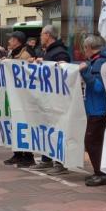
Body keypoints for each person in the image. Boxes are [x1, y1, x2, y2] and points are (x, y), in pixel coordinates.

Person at [28, 25, 72, 176]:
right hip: (46, 99)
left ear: (48, 35)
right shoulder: (47, 52)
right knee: (46, 128)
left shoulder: (60, 53)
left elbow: (62, 73)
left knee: (56, 129)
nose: (40, 37)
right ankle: (46, 159)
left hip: (56, 100)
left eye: (42, 34)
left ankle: (59, 163)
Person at [80, 35, 106, 187]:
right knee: (96, 142)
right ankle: (100, 172)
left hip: (98, 109)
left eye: (84, 48)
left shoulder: (99, 63)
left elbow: (99, 88)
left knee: (92, 142)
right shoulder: (98, 61)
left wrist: (85, 73)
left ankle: (101, 174)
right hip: (96, 109)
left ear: (88, 48)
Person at [3, 31, 36, 168]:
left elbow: (20, 70)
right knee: (14, 124)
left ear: (17, 41)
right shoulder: (14, 52)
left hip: (24, 97)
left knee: (24, 124)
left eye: (11, 39)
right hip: (15, 95)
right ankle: (17, 154)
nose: (9, 41)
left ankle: (28, 156)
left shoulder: (26, 53)